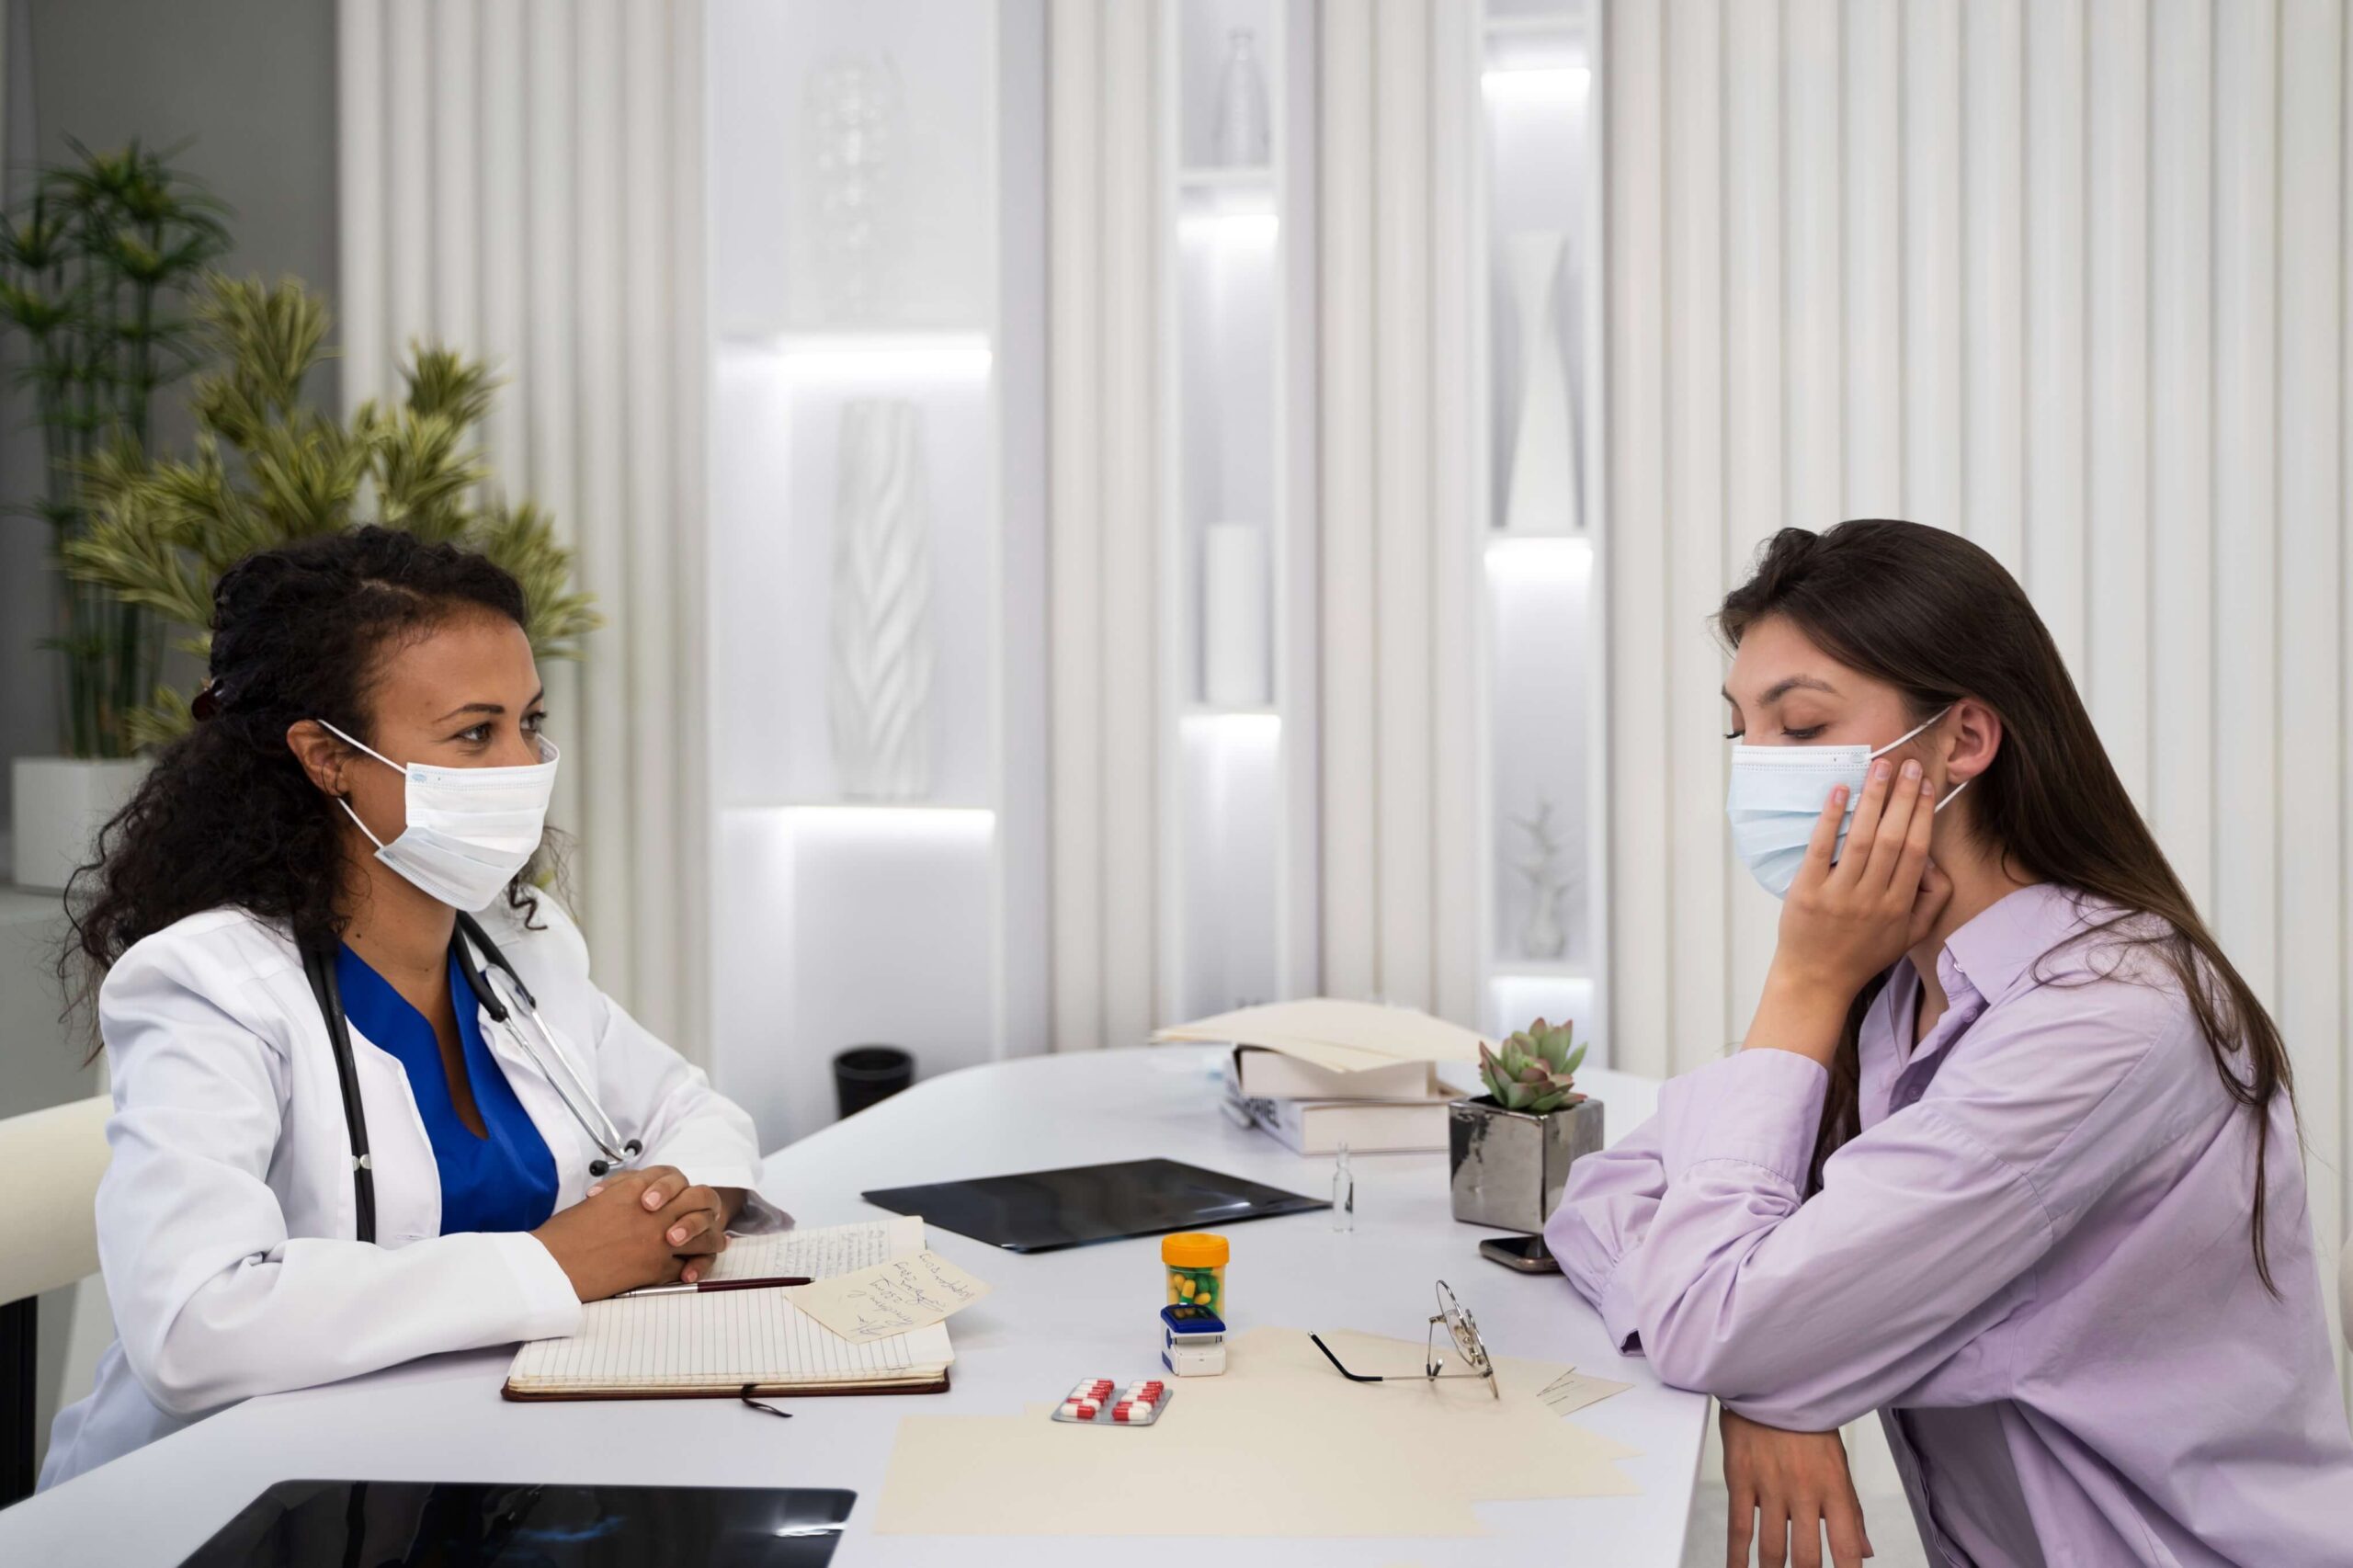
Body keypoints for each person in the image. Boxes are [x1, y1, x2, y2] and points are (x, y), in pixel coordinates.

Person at [1546, 521, 2353, 1567]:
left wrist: (1801, 984)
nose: (1753, 772)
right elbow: (1600, 1197)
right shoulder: (1906, 988)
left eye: (1799, 729)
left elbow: (1717, 1314)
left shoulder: (2102, 1022)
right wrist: (1767, 1369)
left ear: (1962, 743)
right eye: (1739, 732)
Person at [41, 528, 784, 1488]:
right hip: (227, 1495)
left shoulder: (517, 940)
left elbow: (695, 1110)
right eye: (475, 733)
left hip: (474, 1456)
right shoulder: (205, 984)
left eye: (529, 720)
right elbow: (193, 1323)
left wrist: (682, 1204)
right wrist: (553, 1262)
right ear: (324, 757)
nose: (524, 763)